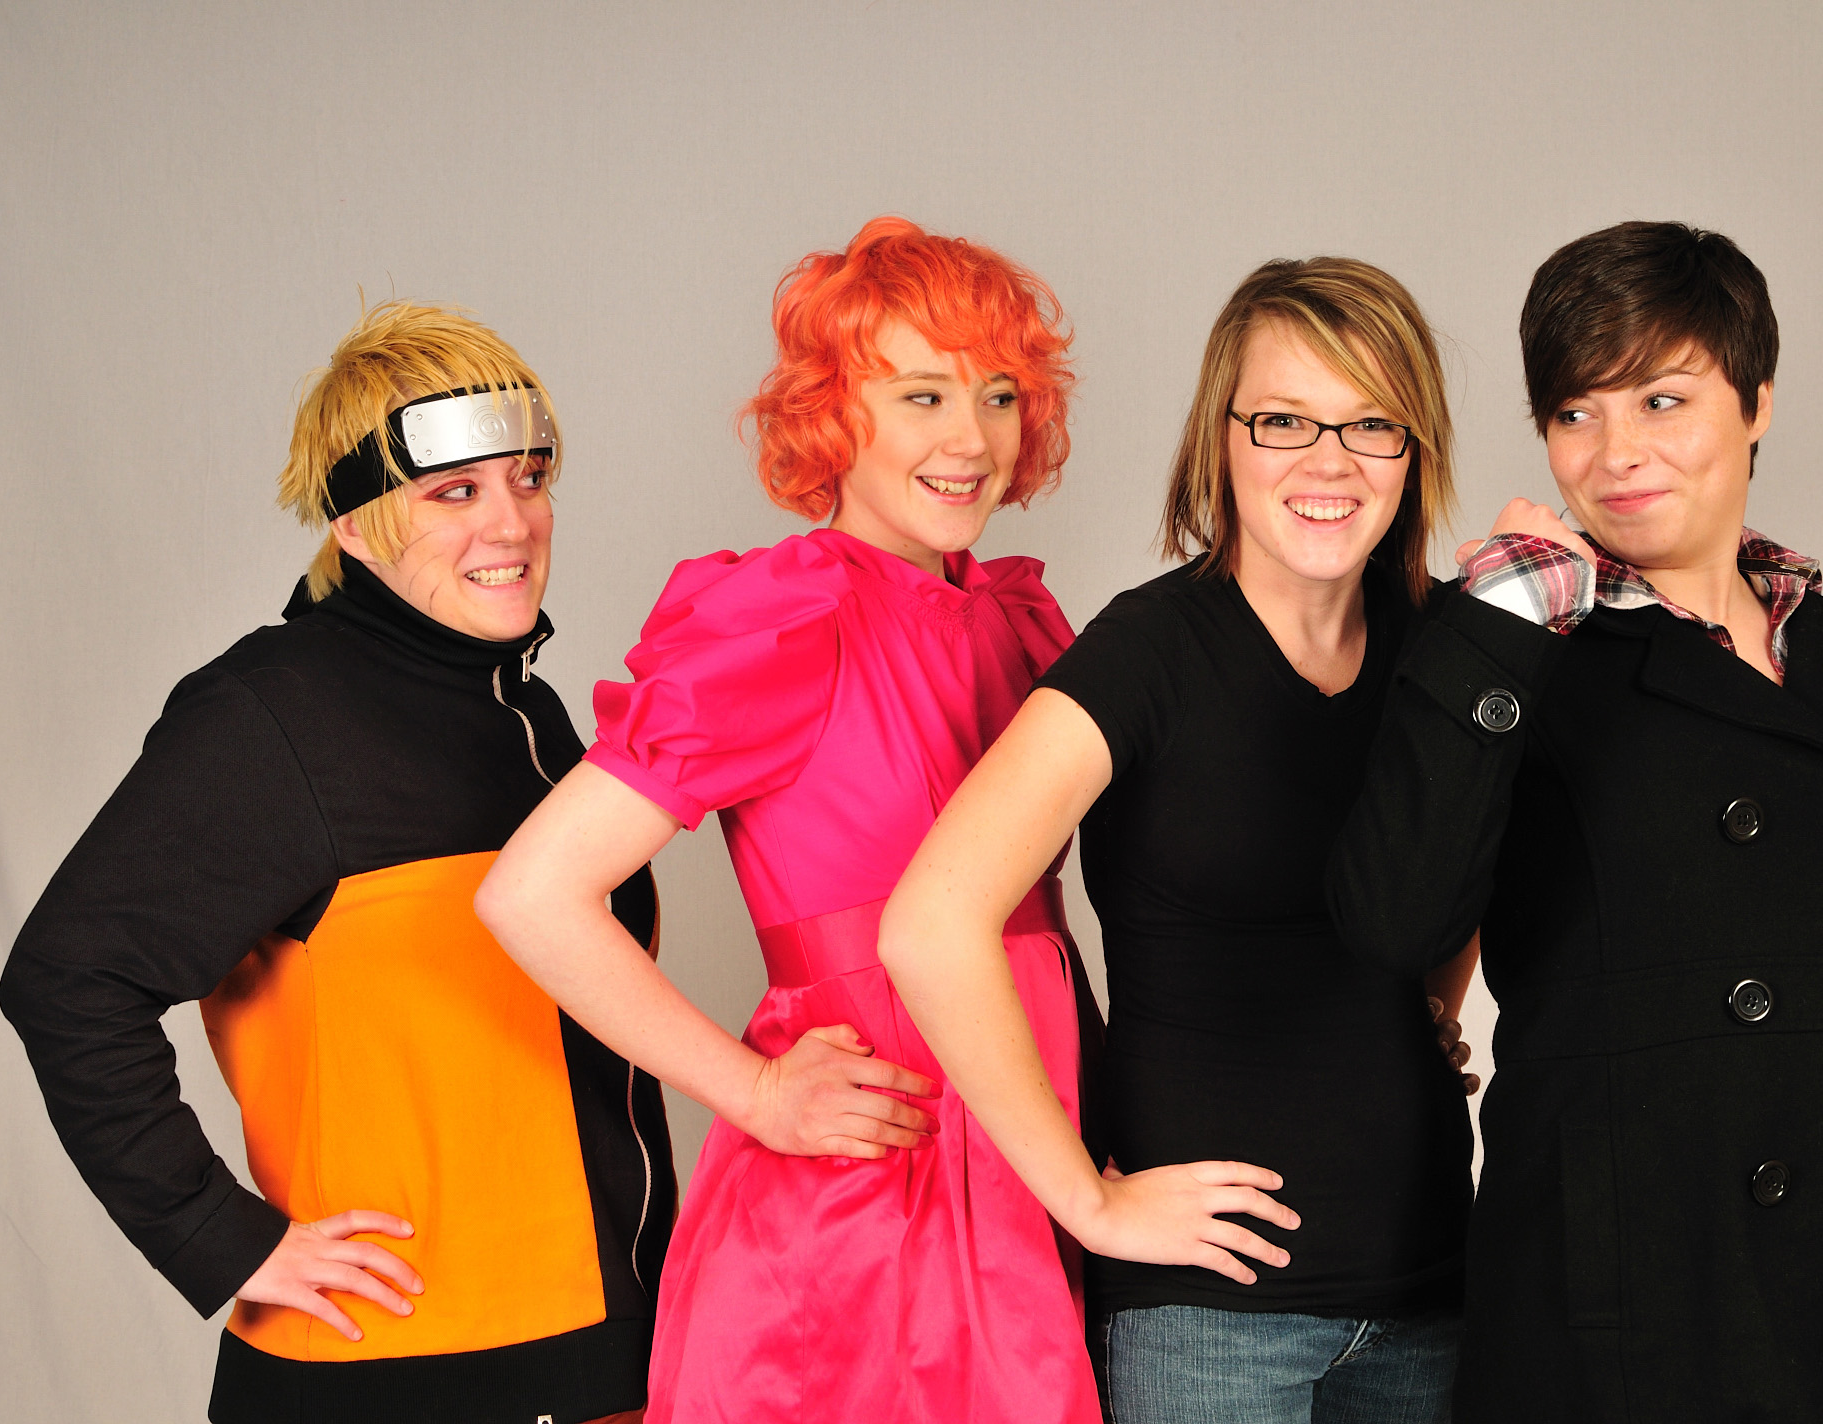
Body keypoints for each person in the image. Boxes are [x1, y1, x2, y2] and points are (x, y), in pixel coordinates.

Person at [479, 217, 1285, 1423]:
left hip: (1029, 1160)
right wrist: (756, 1093)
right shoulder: (785, 618)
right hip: (864, 1203)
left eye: (998, 395)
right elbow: (532, 893)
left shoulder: (1016, 621)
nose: (971, 439)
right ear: (830, 414)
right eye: (921, 396)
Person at [1326, 221, 1823, 1421]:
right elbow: (1390, 921)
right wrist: (1499, 616)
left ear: (1754, 401)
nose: (1615, 452)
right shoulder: (1508, 644)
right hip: (1635, 1311)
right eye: (1574, 412)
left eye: (1661, 400)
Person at [0, 302, 681, 1423]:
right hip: (397, 1372)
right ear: (356, 527)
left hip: (606, 1357)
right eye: (454, 492)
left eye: (529, 478)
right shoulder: (272, 715)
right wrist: (220, 1237)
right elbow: (67, 977)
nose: (511, 522)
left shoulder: (532, 715)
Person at [878, 257, 1477, 1424]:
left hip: (1429, 1287)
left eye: (1370, 423)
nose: (1327, 462)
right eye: (1283, 420)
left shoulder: (1449, 647)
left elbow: (1465, 857)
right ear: (1222, 436)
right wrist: (1088, 1202)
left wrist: (1426, 1005)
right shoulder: (1146, 651)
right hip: (1206, 1320)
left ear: (1414, 449)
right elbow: (929, 923)